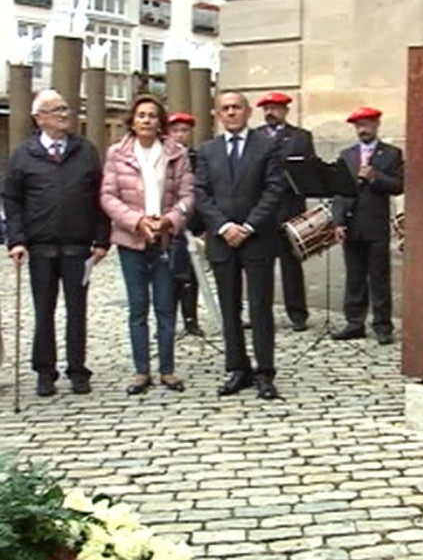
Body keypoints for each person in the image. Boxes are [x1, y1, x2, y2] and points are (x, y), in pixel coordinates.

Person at [2, 89, 111, 396]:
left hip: (78, 246)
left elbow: (99, 196)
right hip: (40, 247)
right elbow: (12, 201)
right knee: (43, 311)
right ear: (39, 118)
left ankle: (78, 369)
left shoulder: (85, 150)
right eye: (56, 109)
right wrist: (16, 240)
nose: (65, 114)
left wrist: (102, 239)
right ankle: (44, 371)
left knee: (78, 311)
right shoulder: (23, 155)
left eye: (66, 108)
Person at [194, 91, 286, 400]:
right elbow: (201, 194)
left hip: (257, 237)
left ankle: (265, 371)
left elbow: (274, 190)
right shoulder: (207, 151)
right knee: (229, 306)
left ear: (247, 112)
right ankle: (237, 368)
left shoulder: (268, 146)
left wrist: (248, 226)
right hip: (222, 239)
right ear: (218, 115)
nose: (231, 113)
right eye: (225, 109)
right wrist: (223, 226)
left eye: (236, 108)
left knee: (260, 306)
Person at [100, 94, 193, 395]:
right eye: (141, 115)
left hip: (165, 237)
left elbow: (188, 195)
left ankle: (167, 369)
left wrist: (170, 220)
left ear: (160, 121)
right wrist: (136, 221)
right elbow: (108, 196)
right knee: (138, 308)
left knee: (166, 307)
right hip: (132, 239)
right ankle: (142, 371)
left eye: (152, 115)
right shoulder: (117, 153)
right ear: (132, 120)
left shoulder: (176, 153)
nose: (147, 120)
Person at [331, 106, 404, 346]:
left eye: (367, 124)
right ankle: (354, 323)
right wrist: (338, 221)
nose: (363, 129)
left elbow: (398, 185)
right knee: (354, 277)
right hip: (352, 224)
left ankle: (383, 325)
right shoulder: (347, 155)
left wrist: (375, 177)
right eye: (358, 125)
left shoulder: (391, 154)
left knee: (379, 277)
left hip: (376, 224)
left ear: (376, 125)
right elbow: (339, 192)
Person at [254, 91, 316, 332]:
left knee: (291, 265)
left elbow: (309, 171)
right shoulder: (254, 136)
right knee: (260, 266)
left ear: (285, 110)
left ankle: (297, 314)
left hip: (289, 208)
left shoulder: (300, 137)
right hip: (261, 211)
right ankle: (260, 312)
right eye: (267, 108)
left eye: (276, 108)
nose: (271, 112)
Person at [166, 112, 206, 337]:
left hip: (192, 224)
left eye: (184, 131)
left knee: (191, 276)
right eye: (175, 130)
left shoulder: (199, 158)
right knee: (168, 276)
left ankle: (191, 319)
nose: (180, 135)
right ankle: (167, 320)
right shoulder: (162, 158)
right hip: (169, 224)